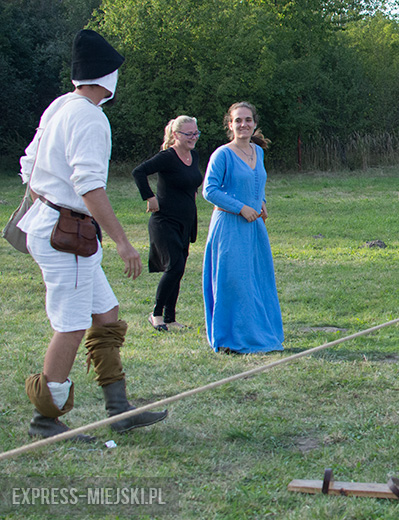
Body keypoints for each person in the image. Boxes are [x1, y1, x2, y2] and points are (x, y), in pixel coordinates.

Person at [17, 30, 167, 439]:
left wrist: (48, 201)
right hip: (66, 236)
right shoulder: (88, 116)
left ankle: (118, 409)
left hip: (58, 227)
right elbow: (89, 186)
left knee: (106, 314)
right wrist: (121, 240)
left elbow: (28, 165)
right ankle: (45, 419)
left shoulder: (60, 106)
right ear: (107, 76)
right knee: (71, 323)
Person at [202, 101, 284, 354]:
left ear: (255, 124)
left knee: (256, 280)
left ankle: (258, 334)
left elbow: (258, 182)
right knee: (233, 280)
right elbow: (209, 190)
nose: (243, 125)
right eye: (238, 120)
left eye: (248, 120)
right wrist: (240, 207)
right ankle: (229, 339)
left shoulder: (257, 152)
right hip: (228, 227)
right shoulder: (222, 154)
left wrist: (261, 201)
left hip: (254, 228)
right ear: (230, 125)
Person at [132, 115, 203, 331]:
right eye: (188, 134)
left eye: (195, 133)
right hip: (164, 221)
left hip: (186, 221)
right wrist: (149, 197)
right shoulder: (167, 157)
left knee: (179, 269)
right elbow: (139, 172)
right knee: (174, 266)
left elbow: (190, 182)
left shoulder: (194, 156)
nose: (193, 138)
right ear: (175, 135)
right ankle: (156, 314)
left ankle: (171, 319)